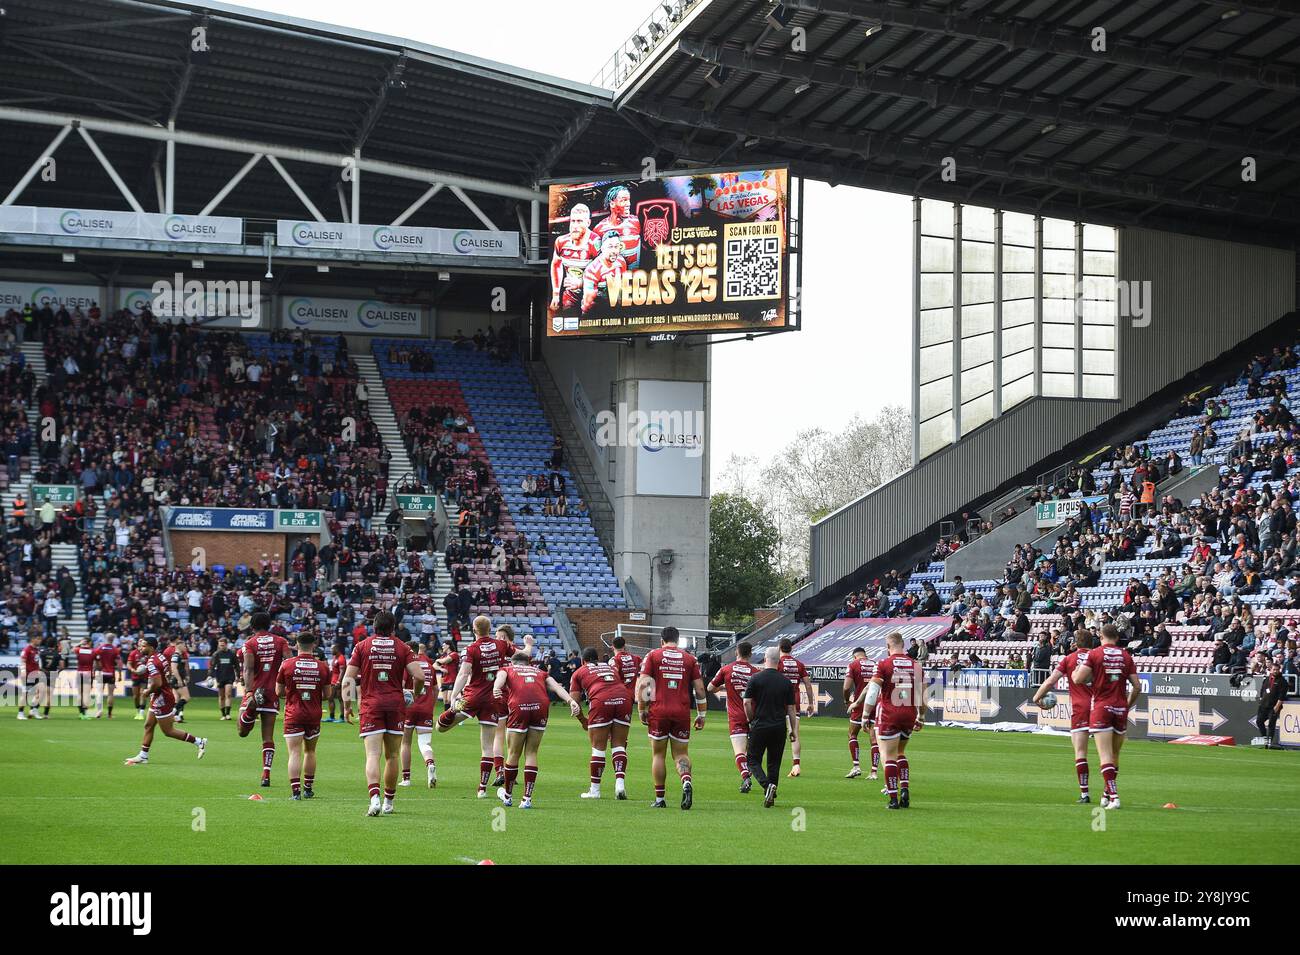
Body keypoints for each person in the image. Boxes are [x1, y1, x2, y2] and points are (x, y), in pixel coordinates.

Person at [342, 611, 426, 816]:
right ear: (394, 628)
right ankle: (389, 801)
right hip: (395, 705)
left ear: (373, 627)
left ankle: (374, 799)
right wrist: (413, 694)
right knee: (393, 755)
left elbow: (347, 680)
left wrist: (347, 705)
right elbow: (420, 676)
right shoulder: (402, 647)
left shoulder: (362, 646)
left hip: (371, 705)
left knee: (372, 754)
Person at [492, 651, 581, 808]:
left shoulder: (507, 669)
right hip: (540, 707)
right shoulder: (540, 672)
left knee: (513, 753)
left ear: (513, 662)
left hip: (519, 707)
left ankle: (508, 796)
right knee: (531, 752)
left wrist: (496, 688)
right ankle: (527, 799)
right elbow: (556, 687)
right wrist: (571, 701)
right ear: (528, 663)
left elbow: (499, 680)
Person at [636, 627, 708, 810]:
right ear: (678, 640)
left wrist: (642, 709)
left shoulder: (654, 655)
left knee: (658, 754)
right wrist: (702, 714)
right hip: (682, 712)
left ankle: (660, 799)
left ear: (662, 641)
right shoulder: (690, 659)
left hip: (659, 711)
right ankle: (686, 781)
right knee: (681, 754)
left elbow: (644, 683)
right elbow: (700, 689)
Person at [852, 631, 925, 809]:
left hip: (889, 713)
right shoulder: (916, 665)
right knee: (901, 752)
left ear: (888, 647)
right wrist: (921, 716)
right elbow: (922, 694)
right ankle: (905, 789)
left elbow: (872, 692)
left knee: (888, 755)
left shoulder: (884, 664)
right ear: (904, 645)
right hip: (908, 713)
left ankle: (893, 799)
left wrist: (865, 715)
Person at [1072, 623, 1141, 810]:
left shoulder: (1094, 654)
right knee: (1115, 755)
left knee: (1104, 755)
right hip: (1120, 708)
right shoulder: (1126, 655)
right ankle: (1106, 794)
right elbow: (1137, 686)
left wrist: (1076, 672)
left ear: (1101, 637)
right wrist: (1127, 704)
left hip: (1102, 706)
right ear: (1117, 638)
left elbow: (1078, 679)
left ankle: (1115, 797)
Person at [1031, 629, 1096, 802]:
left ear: (1076, 642)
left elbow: (1051, 681)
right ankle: (1110, 794)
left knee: (1081, 752)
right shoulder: (1099, 657)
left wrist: (1037, 698)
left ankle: (1085, 794)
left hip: (1080, 708)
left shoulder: (1069, 659)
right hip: (1101, 706)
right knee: (1108, 753)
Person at [123, 636, 207, 765]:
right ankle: (143, 755)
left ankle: (199, 741)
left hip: (161, 697)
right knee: (148, 725)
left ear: (151, 647)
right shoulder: (159, 656)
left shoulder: (152, 662)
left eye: (143, 646)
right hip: (159, 695)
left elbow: (157, 683)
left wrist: (147, 692)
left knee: (168, 731)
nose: (141, 648)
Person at [237, 612, 293, 788]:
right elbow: (290, 663)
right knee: (267, 737)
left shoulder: (249, 643)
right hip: (272, 691)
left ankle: (250, 710)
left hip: (254, 690)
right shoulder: (281, 641)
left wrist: (248, 691)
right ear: (269, 625)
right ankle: (266, 775)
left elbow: (248, 669)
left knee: (242, 731)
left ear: (252, 626)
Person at [570, 646, 633, 799]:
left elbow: (574, 702)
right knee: (619, 744)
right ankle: (619, 785)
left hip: (601, 701)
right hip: (624, 700)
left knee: (598, 748)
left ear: (583, 661)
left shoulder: (579, 672)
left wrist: (583, 721)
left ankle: (595, 790)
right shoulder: (610, 667)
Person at [276, 631, 331, 800]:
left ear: (297, 645)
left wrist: (294, 692)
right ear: (314, 645)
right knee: (310, 751)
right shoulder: (323, 666)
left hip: (294, 713)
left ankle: (295, 792)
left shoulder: (287, 665)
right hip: (314, 713)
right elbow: (328, 694)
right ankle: (308, 788)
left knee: (294, 753)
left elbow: (278, 691)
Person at [744, 646, 799, 808]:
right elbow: (791, 709)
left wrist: (750, 718)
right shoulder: (786, 682)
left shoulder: (755, 678)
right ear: (779, 661)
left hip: (760, 725)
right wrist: (792, 730)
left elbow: (746, 702)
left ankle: (767, 785)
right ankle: (771, 795)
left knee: (752, 760)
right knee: (774, 763)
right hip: (779, 726)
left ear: (765, 659)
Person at [706, 640, 758, 793]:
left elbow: (710, 687)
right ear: (750, 654)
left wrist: (723, 687)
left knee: (739, 752)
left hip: (736, 717)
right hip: (752, 716)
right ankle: (747, 777)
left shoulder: (726, 669)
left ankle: (745, 778)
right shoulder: (756, 672)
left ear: (737, 652)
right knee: (749, 753)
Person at [400, 641, 438, 789]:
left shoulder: (408, 665)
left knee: (405, 743)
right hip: (426, 709)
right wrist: (431, 705)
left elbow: (401, 686)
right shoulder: (429, 666)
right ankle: (430, 764)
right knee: (424, 743)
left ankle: (406, 778)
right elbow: (435, 689)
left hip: (409, 708)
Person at [777, 637, 817, 777]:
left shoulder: (777, 663)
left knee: (775, 734)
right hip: (794, 703)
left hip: (778, 703)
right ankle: (796, 765)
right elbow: (807, 684)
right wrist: (811, 703)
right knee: (794, 734)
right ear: (791, 648)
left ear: (779, 648)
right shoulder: (799, 664)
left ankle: (774, 763)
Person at [843, 646, 878, 780]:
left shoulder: (853, 665)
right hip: (875, 703)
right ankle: (874, 772)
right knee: (874, 738)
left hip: (860, 703)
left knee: (852, 734)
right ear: (865, 655)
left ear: (854, 656)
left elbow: (846, 687)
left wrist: (847, 701)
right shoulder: (875, 664)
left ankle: (856, 767)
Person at [1255, 661, 1289, 747]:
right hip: (1263, 705)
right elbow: (1262, 690)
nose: (1275, 671)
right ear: (1270, 670)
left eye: (1277, 670)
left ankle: (1269, 742)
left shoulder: (1282, 681)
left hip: (1273, 706)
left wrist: (1277, 707)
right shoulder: (1267, 679)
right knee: (1259, 721)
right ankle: (1264, 739)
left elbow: (1282, 696)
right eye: (1274, 669)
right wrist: (1261, 700)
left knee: (1271, 724)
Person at [209, 636, 239, 720]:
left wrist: (238, 676)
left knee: (228, 694)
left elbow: (237, 666)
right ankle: (223, 715)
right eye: (220, 645)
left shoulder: (232, 654)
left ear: (226, 645)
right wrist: (209, 675)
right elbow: (212, 666)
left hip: (229, 676)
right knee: (221, 696)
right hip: (220, 677)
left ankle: (228, 714)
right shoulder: (216, 654)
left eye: (223, 645)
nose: (221, 646)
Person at [94, 636, 121, 719]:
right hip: (110, 673)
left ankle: (99, 712)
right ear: (113, 639)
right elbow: (118, 663)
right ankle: (109, 714)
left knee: (99, 693)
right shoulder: (115, 649)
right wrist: (120, 674)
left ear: (106, 638)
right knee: (110, 694)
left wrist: (96, 669)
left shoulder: (100, 648)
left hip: (100, 673)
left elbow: (95, 659)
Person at [18, 633, 42, 720]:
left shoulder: (36, 649)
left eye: (40, 639)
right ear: (33, 639)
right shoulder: (27, 649)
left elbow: (36, 662)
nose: (40, 641)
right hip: (28, 675)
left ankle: (33, 710)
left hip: (36, 675)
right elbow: (22, 660)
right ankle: (20, 713)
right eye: (38, 639)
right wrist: (23, 670)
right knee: (25, 694)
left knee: (40, 692)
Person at [73, 634, 96, 719]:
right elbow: (97, 663)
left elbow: (71, 649)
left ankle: (80, 713)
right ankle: (85, 713)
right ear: (89, 643)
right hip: (87, 673)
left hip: (79, 672)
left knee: (79, 694)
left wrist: (79, 643)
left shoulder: (78, 650)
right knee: (86, 694)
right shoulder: (93, 651)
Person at [127, 639, 148, 720]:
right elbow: (128, 664)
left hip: (145, 677)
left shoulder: (147, 653)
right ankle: (138, 711)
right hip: (135, 676)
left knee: (143, 693)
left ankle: (141, 713)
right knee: (136, 696)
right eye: (140, 642)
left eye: (143, 642)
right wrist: (132, 670)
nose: (141, 643)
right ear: (137, 644)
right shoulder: (133, 653)